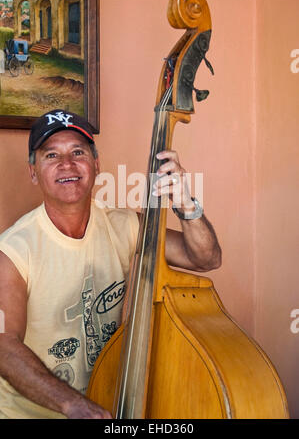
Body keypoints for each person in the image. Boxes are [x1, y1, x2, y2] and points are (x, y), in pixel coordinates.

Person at [0, 109, 221, 419]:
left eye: (78, 152)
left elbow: (205, 258)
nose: (67, 164)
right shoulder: (13, 250)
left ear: (96, 165)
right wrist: (72, 404)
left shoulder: (125, 226)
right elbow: (4, 344)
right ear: (33, 172)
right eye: (51, 155)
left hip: (107, 401)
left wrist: (187, 206)